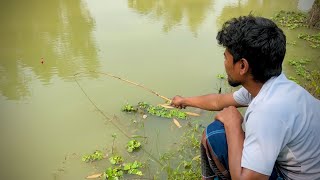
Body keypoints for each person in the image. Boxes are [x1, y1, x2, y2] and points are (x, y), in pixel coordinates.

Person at [171, 15, 320, 180]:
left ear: (242, 66)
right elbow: (218, 101)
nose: (225, 63)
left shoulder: (266, 112)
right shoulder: (271, 85)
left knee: (214, 135)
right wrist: (184, 101)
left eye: (226, 57)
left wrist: (233, 125)